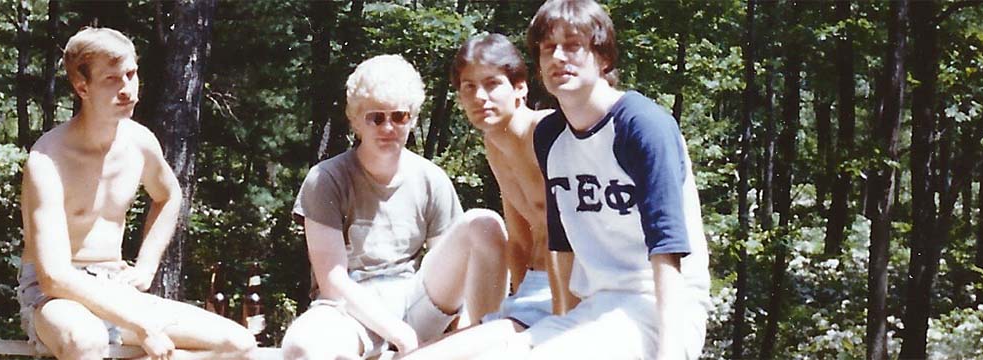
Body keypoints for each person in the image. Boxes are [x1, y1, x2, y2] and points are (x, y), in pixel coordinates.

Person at [19, 27, 256, 360]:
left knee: (239, 345)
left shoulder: (140, 143)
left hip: (116, 287)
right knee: (87, 341)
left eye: (131, 75)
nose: (127, 90)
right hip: (55, 299)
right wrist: (143, 327)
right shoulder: (47, 160)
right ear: (82, 87)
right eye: (112, 80)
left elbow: (168, 195)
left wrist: (146, 266)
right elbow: (54, 277)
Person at [514, 0, 712, 358]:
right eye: (548, 48)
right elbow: (563, 245)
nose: (559, 57)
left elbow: (667, 249)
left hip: (660, 311)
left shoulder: (642, 126)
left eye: (573, 45)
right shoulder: (549, 136)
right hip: (594, 310)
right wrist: (563, 325)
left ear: (603, 57)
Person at [282, 54, 509, 360]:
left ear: (412, 118)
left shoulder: (431, 179)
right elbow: (333, 281)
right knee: (302, 347)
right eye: (376, 117)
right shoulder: (326, 179)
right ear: (356, 120)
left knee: (483, 223)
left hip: (415, 300)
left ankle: (489, 344)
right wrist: (396, 333)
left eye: (399, 116)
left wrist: (463, 332)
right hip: (349, 310)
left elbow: (451, 270)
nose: (388, 127)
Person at [399, 34, 561, 360]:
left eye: (492, 84)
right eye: (468, 87)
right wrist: (510, 309)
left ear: (520, 88)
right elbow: (517, 241)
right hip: (530, 293)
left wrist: (564, 318)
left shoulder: (550, 133)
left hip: (566, 296)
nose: (480, 97)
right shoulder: (495, 144)